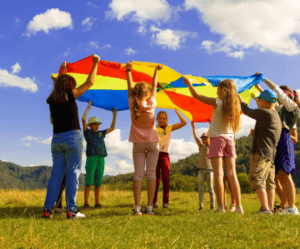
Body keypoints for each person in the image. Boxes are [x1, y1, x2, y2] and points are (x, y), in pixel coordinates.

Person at [42, 55, 100, 219]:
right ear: (68, 86)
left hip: (57, 139)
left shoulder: (52, 99)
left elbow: (57, 86)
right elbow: (90, 82)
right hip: (72, 138)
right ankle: (72, 210)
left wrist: (63, 71)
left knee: (56, 175)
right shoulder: (70, 95)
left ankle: (48, 210)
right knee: (73, 173)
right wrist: (95, 63)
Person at [183, 77, 243, 213]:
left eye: (219, 88)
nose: (217, 90)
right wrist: (235, 93)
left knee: (218, 174)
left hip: (217, 139)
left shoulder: (217, 102)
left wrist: (189, 84)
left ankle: (221, 207)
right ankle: (239, 206)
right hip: (230, 140)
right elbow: (240, 100)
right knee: (233, 174)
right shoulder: (236, 106)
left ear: (223, 90)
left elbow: (196, 95)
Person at [259, 74, 300, 214]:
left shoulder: (292, 106)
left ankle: (292, 207)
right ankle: (286, 206)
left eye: (281, 95)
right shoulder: (280, 108)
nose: (278, 97)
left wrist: (264, 79)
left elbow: (275, 90)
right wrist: (257, 86)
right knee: (280, 175)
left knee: (286, 174)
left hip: (284, 138)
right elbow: (268, 100)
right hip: (276, 139)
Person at [126, 60, 163, 215]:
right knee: (152, 175)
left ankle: (136, 207)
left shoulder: (133, 103)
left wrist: (129, 70)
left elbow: (129, 87)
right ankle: (149, 207)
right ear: (147, 93)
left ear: (136, 93)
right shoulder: (152, 103)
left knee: (138, 175)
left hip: (138, 144)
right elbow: (155, 86)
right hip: (153, 143)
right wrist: (156, 70)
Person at [238, 86, 282, 214]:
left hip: (261, 153)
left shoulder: (265, 113)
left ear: (265, 102)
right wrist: (256, 133)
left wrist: (240, 99)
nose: (258, 103)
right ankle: (270, 208)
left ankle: (265, 208)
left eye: (259, 101)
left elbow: (247, 111)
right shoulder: (275, 116)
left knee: (257, 179)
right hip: (270, 155)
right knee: (269, 183)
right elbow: (268, 134)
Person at [82, 101, 117, 209]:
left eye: (97, 124)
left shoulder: (101, 133)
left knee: (98, 183)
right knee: (88, 181)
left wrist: (114, 115)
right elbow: (83, 120)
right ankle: (86, 202)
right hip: (91, 158)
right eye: (94, 124)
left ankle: (97, 202)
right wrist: (87, 109)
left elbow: (112, 128)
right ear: (90, 125)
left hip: (101, 158)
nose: (96, 125)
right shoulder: (87, 133)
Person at [153, 110, 187, 209]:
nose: (162, 120)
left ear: (166, 119)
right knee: (155, 180)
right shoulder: (154, 128)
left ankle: (165, 202)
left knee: (166, 179)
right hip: (154, 155)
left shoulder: (169, 128)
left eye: (164, 118)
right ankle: (154, 201)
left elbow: (184, 122)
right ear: (157, 119)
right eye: (160, 118)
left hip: (164, 155)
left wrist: (177, 111)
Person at [191, 122, 215, 210]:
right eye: (203, 139)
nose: (204, 140)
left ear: (210, 139)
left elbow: (213, 133)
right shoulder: (201, 147)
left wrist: (210, 124)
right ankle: (201, 205)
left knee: (211, 188)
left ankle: (213, 205)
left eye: (206, 139)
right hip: (201, 170)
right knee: (201, 188)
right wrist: (193, 128)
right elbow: (196, 137)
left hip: (210, 170)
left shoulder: (212, 146)